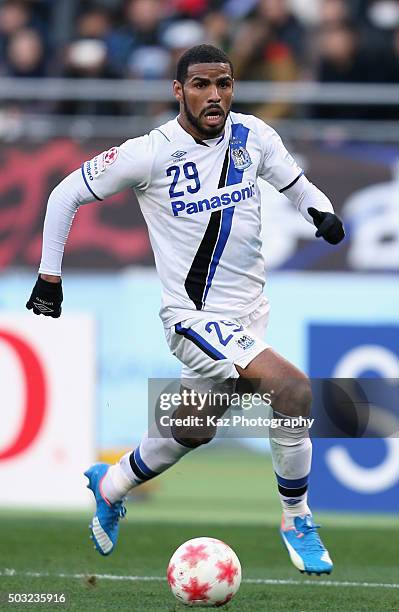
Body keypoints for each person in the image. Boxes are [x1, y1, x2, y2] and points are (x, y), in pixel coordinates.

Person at [26, 44, 344, 575]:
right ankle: (297, 517)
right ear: (178, 91)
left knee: (194, 429)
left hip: (249, 313)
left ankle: (110, 483)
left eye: (223, 83)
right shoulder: (149, 152)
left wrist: (323, 215)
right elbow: (64, 195)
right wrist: (49, 276)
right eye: (200, 84)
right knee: (292, 390)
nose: (214, 95)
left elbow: (297, 187)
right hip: (193, 320)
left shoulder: (254, 136)